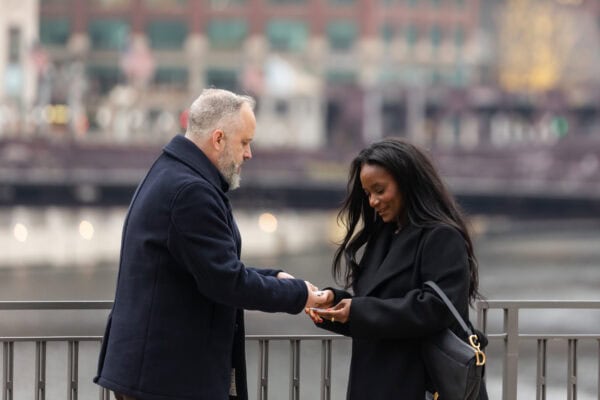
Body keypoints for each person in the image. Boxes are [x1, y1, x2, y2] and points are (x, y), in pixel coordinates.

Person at [95, 88, 328, 400]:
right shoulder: (192, 191)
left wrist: (273, 278)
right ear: (218, 139)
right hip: (166, 380)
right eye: (244, 142)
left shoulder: (171, 172)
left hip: (152, 374)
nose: (249, 154)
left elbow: (205, 264)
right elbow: (225, 281)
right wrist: (299, 295)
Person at [307, 138, 487, 400]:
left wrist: (357, 310)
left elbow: (437, 308)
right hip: (379, 382)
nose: (372, 201)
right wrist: (336, 305)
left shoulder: (441, 236)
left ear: (408, 183)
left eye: (380, 190)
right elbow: (381, 307)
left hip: (420, 385)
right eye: (368, 193)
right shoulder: (383, 236)